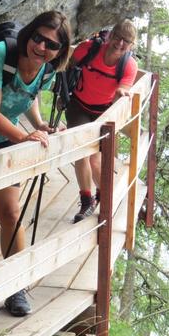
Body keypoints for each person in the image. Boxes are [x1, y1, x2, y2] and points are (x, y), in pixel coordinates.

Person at [0, 11, 72, 316]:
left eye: (51, 44)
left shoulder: (48, 70)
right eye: (38, 38)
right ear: (29, 34)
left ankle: (15, 286)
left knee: (10, 211)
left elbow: (29, 93)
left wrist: (38, 124)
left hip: (6, 135)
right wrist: (24, 138)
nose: (42, 47)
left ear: (59, 51)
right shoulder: (1, 54)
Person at [65, 19, 138, 223]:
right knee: (81, 154)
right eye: (117, 37)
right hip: (78, 106)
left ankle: (105, 198)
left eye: (126, 41)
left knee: (95, 160)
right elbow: (69, 64)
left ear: (132, 45)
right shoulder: (89, 49)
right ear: (110, 35)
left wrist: (123, 92)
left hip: (102, 114)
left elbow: (123, 87)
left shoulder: (128, 65)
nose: (120, 43)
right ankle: (87, 200)